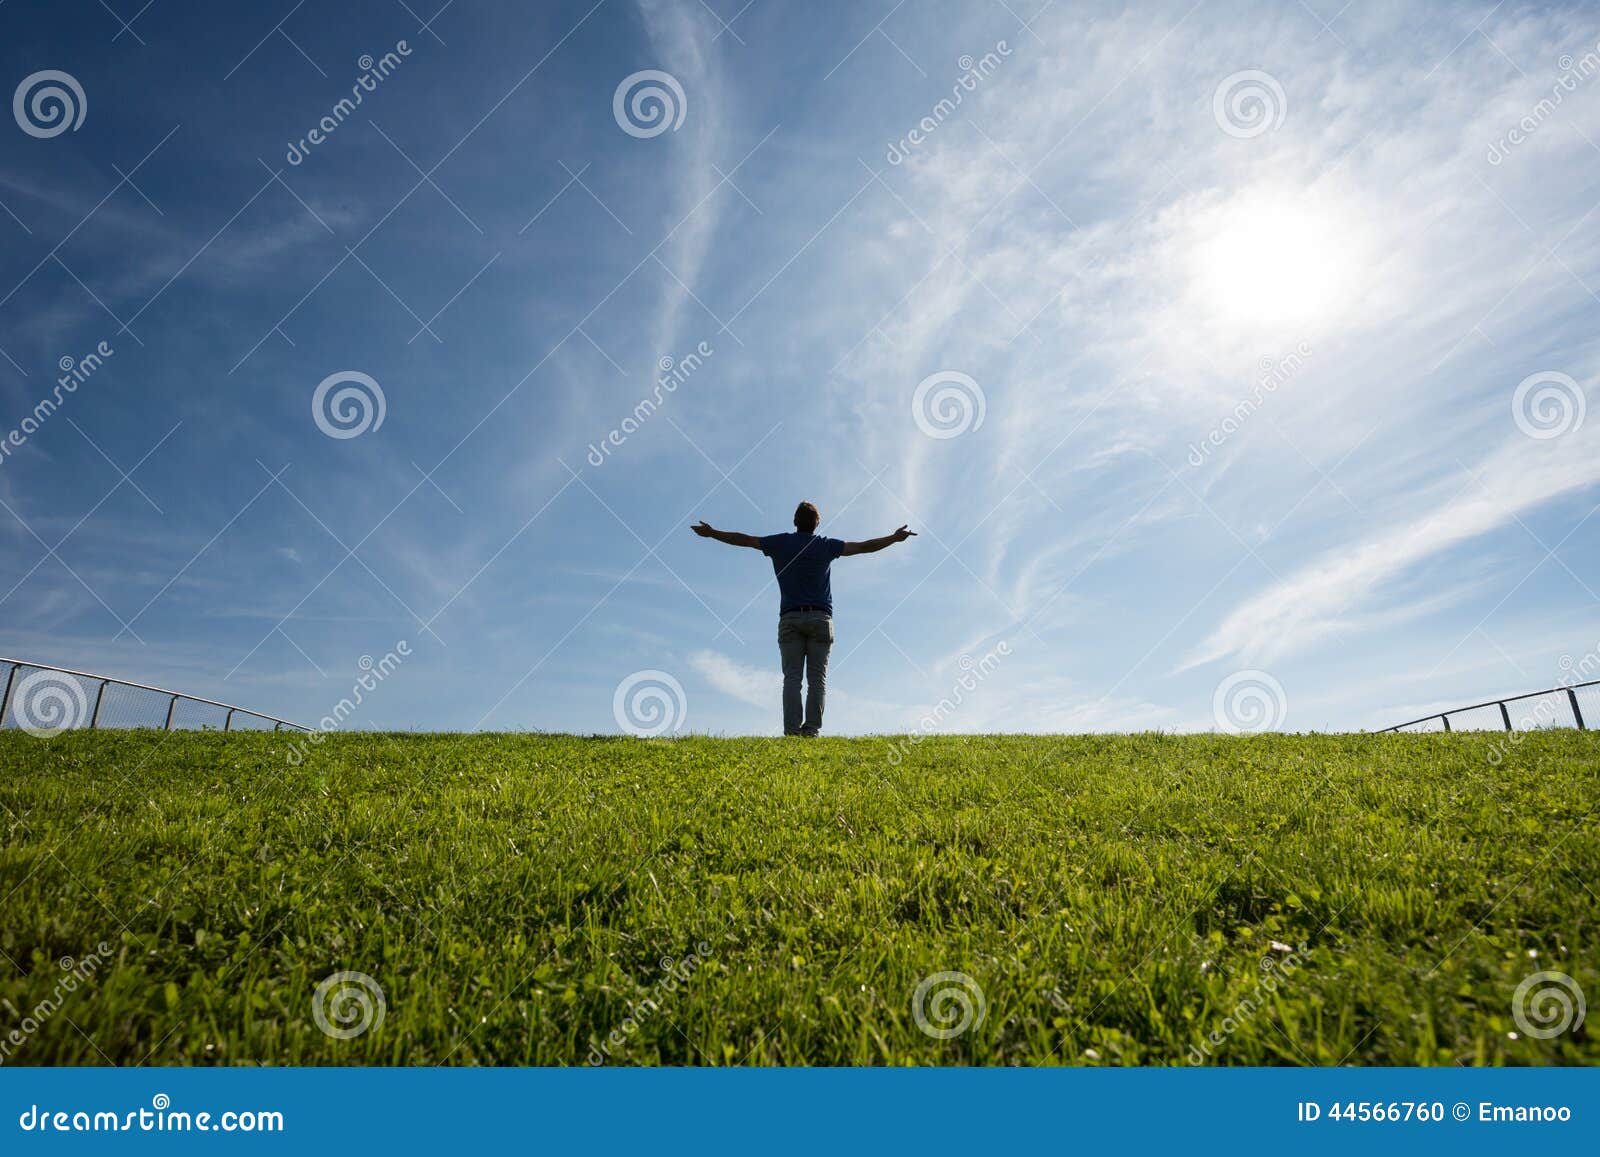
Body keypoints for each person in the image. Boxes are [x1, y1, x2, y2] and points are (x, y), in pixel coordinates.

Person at [691, 501, 915, 736]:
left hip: (790, 620)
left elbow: (744, 540)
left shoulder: (780, 543)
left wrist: (712, 533)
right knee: (817, 679)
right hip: (820, 619)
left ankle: (792, 731)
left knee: (792, 678)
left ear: (795, 522)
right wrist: (893, 537)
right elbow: (863, 547)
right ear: (817, 524)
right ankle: (811, 730)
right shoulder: (826, 546)